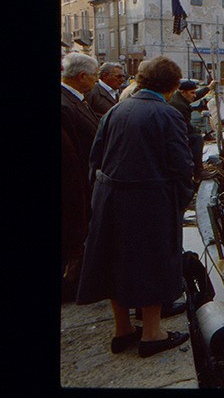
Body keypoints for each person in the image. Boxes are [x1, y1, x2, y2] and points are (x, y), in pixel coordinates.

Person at [76, 56, 194, 357]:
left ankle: (123, 330)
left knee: (115, 261)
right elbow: (182, 167)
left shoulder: (115, 110)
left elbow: (95, 158)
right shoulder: (167, 114)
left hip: (109, 196)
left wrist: (99, 196)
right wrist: (179, 202)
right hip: (148, 200)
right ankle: (152, 334)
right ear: (172, 86)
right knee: (151, 263)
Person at [60, 52, 101, 302]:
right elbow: (71, 159)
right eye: (95, 76)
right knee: (73, 240)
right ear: (82, 76)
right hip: (77, 186)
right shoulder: (65, 105)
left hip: (84, 182)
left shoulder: (75, 100)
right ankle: (69, 286)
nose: (97, 80)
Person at [169, 78, 213, 178]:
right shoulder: (180, 106)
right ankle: (198, 171)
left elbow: (196, 95)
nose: (194, 95)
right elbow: (186, 127)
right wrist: (200, 131)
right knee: (197, 139)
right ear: (183, 92)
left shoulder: (179, 98)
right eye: (192, 93)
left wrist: (209, 88)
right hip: (174, 136)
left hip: (173, 132)